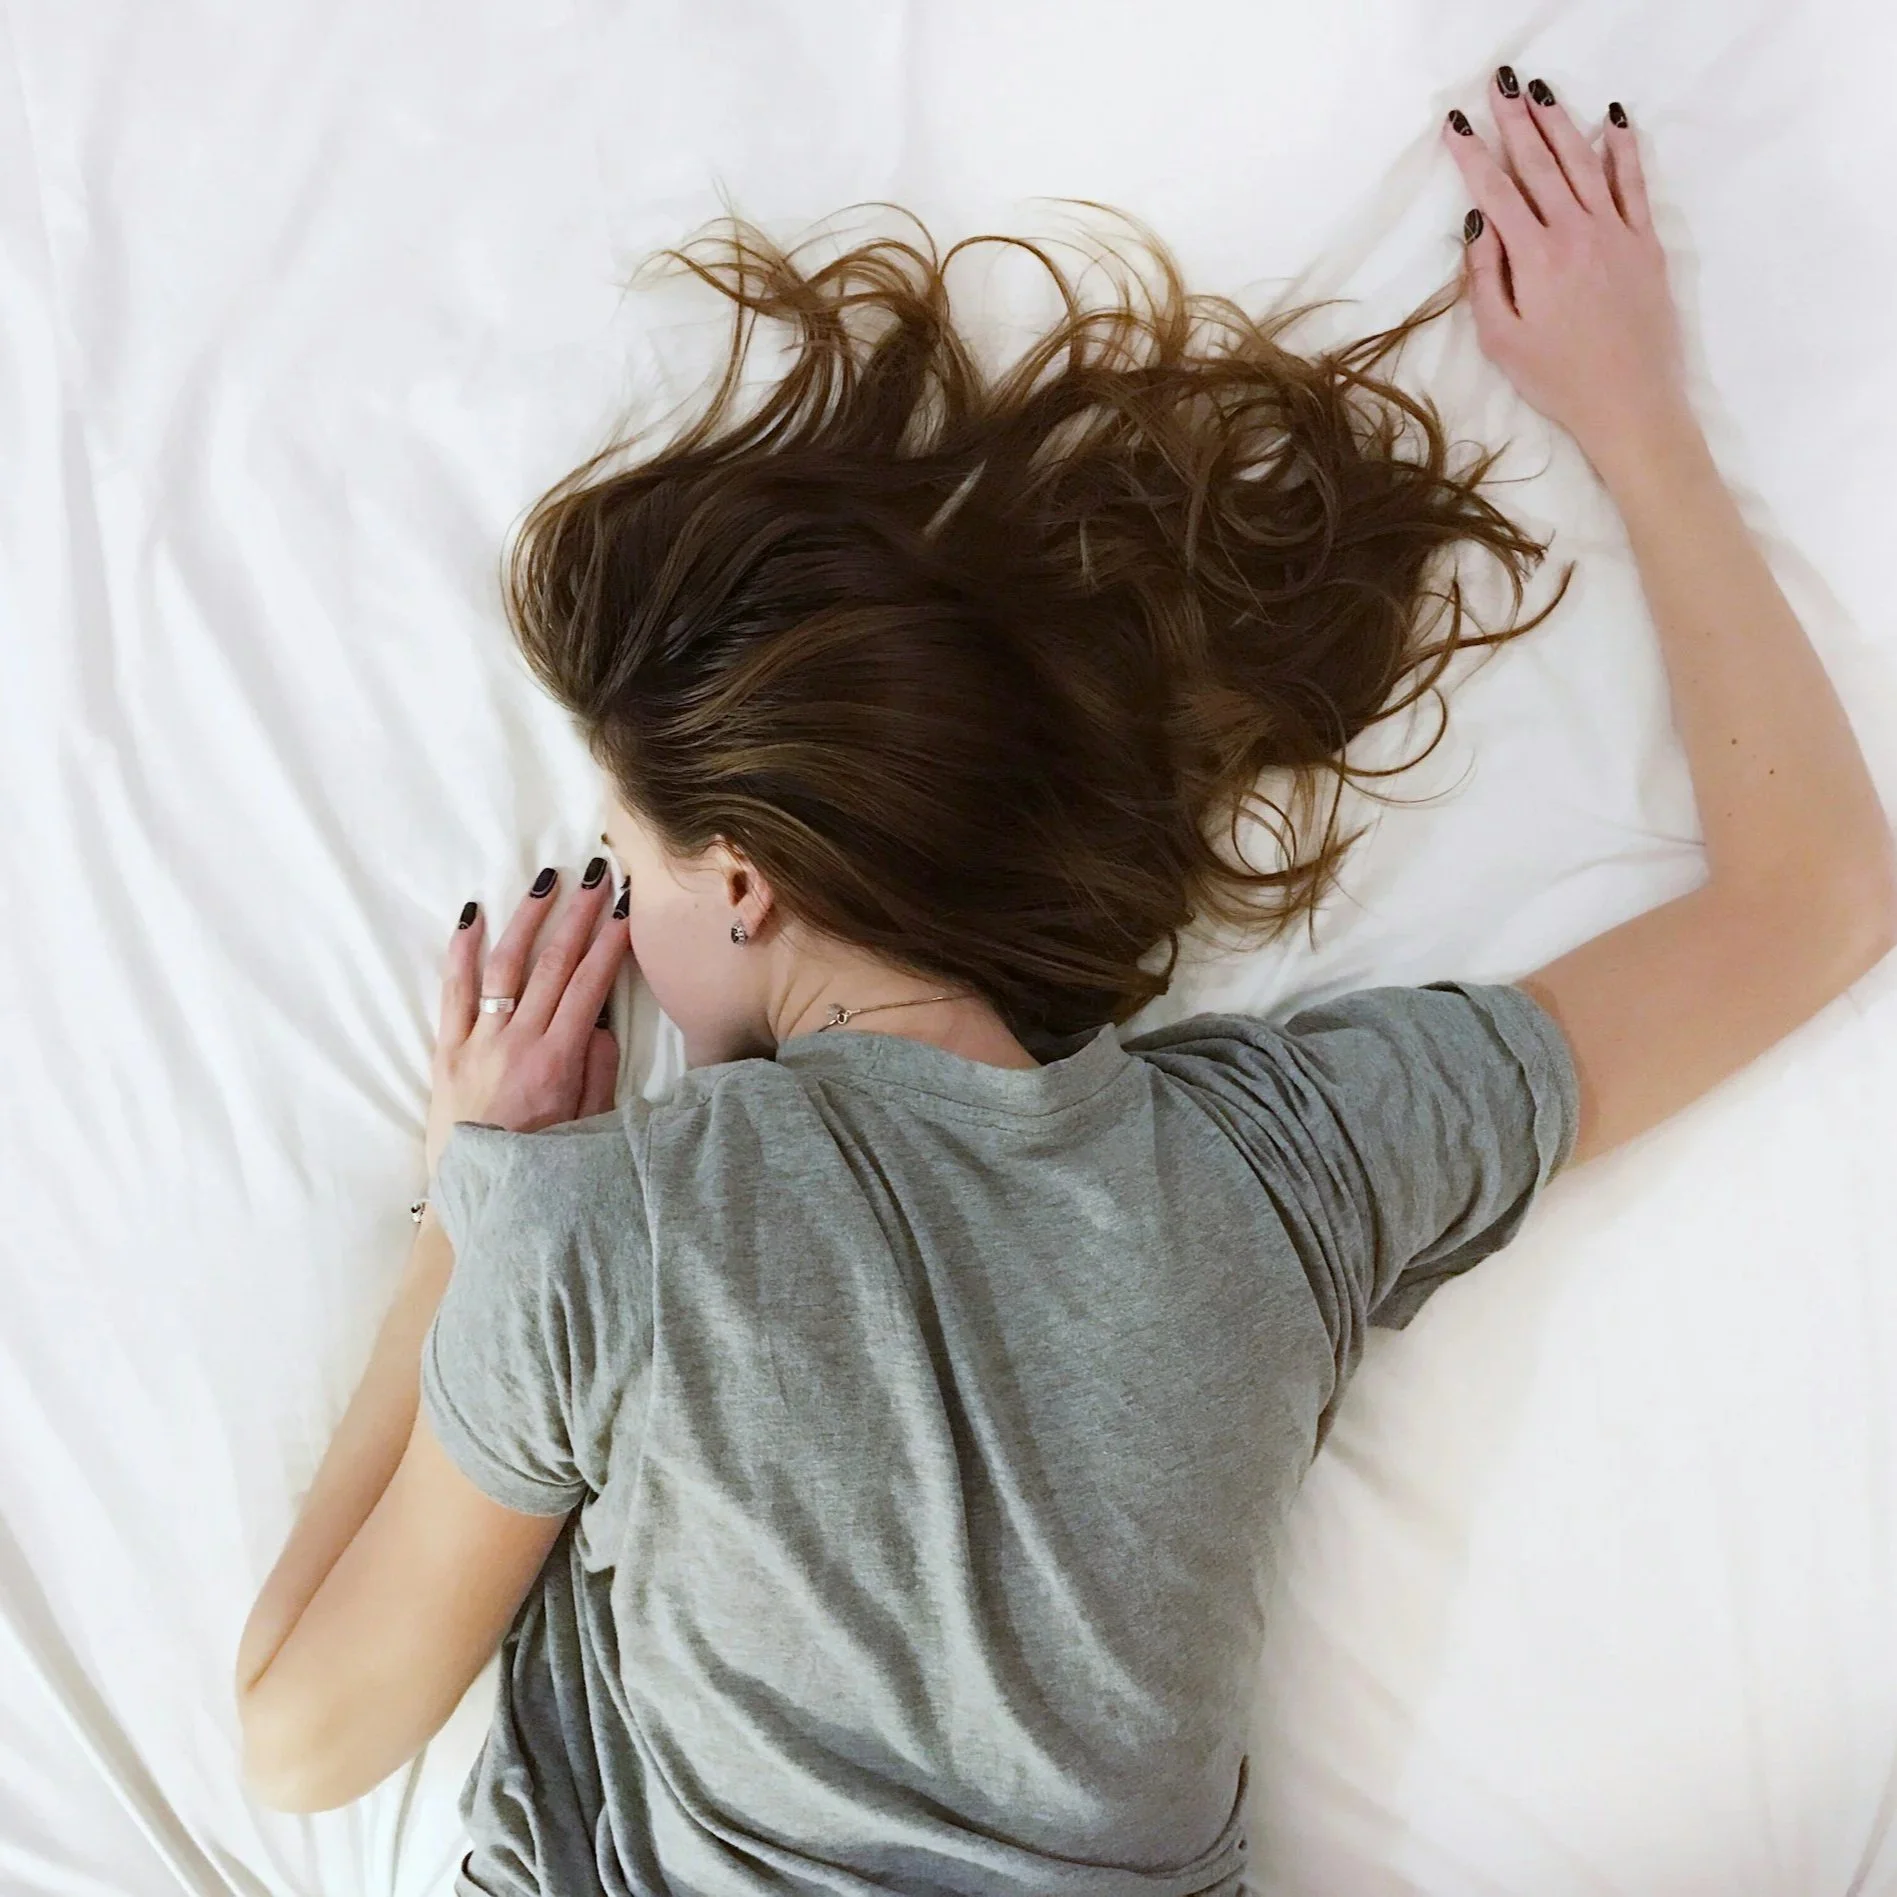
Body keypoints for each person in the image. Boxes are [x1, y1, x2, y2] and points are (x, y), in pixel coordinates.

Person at [235, 68, 1896, 1896]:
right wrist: (1634, 412)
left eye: (627, 865)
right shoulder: (1285, 1168)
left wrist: (471, 1190)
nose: (620, 920)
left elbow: (302, 1738)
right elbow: (1817, 898)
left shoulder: (603, 1232)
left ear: (747, 877)